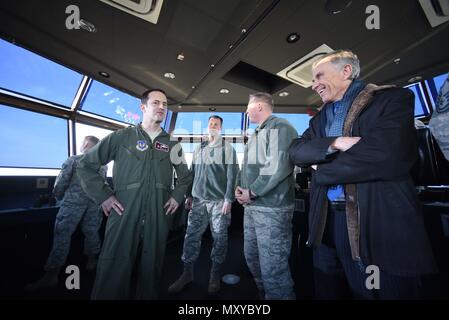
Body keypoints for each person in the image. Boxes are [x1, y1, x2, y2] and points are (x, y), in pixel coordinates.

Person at [289, 50, 437, 299]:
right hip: (326, 226)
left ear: (346, 71)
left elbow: (388, 157)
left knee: (378, 292)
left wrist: (322, 171)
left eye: (319, 76)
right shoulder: (319, 119)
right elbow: (296, 152)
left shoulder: (392, 99)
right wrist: (337, 142)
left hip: (377, 225)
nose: (313, 84)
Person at [77, 89, 192, 299]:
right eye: (156, 103)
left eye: (165, 104)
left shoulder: (172, 144)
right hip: (124, 211)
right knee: (113, 266)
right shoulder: (122, 137)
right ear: (143, 107)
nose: (161, 108)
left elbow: (185, 177)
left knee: (152, 268)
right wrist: (104, 196)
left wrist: (177, 196)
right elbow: (85, 166)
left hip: (158, 214)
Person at [235, 92, 298, 300]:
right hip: (252, 207)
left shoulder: (280, 127)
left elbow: (278, 166)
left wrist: (252, 192)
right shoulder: (256, 134)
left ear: (260, 106)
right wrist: (239, 187)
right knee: (252, 257)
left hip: (272, 209)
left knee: (274, 267)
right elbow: (247, 168)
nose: (246, 111)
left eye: (248, 106)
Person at [168, 115, 239, 295]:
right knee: (191, 236)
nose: (213, 126)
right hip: (198, 200)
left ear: (220, 128)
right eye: (210, 124)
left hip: (218, 203)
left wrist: (228, 199)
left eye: (216, 124)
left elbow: (233, 175)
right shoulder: (200, 147)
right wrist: (189, 195)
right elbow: (193, 172)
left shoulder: (227, 149)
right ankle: (187, 274)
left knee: (219, 238)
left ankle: (214, 274)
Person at [25, 136, 107, 291]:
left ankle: (51, 276)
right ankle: (91, 261)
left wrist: (58, 196)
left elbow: (61, 182)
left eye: (84, 143)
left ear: (86, 145)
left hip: (73, 202)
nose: (82, 145)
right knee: (92, 232)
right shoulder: (102, 166)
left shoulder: (73, 160)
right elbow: (101, 185)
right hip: (94, 203)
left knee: (62, 235)